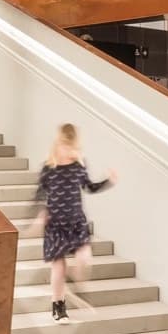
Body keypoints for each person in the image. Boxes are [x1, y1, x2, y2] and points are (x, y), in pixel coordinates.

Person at [31, 124, 115, 320]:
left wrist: (108, 180)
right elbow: (38, 194)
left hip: (76, 222)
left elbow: (90, 187)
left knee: (84, 257)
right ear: (58, 145)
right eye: (66, 147)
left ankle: (74, 281)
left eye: (74, 148)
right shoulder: (49, 168)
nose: (71, 152)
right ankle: (58, 305)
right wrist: (41, 212)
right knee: (58, 266)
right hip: (56, 225)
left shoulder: (79, 166)